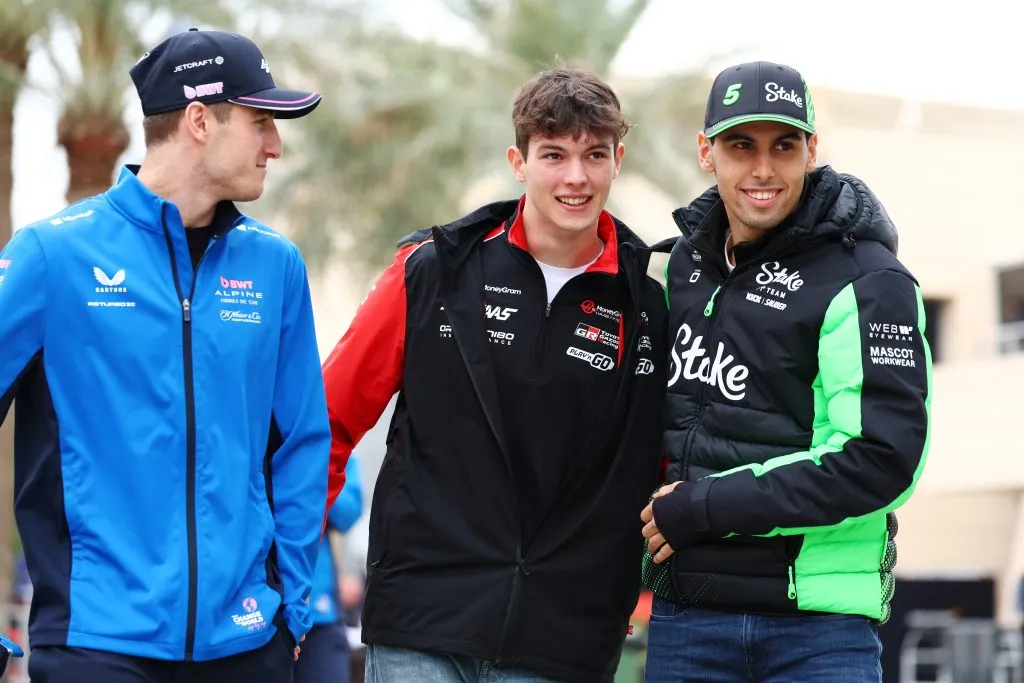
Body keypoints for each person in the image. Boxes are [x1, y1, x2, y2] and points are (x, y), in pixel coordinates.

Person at [0, 28, 344, 683]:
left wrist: (290, 612)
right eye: (261, 121)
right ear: (198, 121)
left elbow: (302, 442)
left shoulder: (276, 267)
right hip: (94, 643)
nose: (275, 145)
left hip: (247, 646)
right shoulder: (53, 257)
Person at [322, 65, 668, 683]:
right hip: (420, 622)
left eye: (594, 155)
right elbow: (327, 420)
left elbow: (660, 466)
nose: (575, 177)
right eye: (553, 154)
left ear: (618, 159)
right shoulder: (433, 272)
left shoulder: (649, 305)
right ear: (519, 160)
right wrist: (294, 570)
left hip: (562, 639)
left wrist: (624, 587)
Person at [640, 60, 933, 682]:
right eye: (741, 146)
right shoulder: (676, 270)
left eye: (785, 146)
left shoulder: (869, 280)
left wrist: (707, 506)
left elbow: (881, 458)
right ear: (706, 152)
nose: (764, 169)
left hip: (818, 631)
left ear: (812, 150)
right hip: (687, 619)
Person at [295, 453, 363, 683]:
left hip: (320, 613)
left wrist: (309, 469)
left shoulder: (329, 442)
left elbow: (348, 511)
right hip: (258, 616)